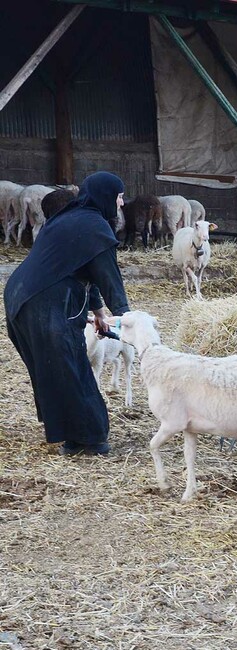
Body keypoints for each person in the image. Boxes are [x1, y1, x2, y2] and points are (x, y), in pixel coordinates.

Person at [3, 171, 130, 456]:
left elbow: (85, 267)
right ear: (106, 196)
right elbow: (109, 276)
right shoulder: (95, 226)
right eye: (120, 196)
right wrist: (128, 318)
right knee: (71, 365)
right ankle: (91, 438)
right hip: (46, 302)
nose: (122, 203)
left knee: (53, 369)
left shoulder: (70, 219)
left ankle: (72, 435)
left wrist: (98, 312)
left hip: (19, 298)